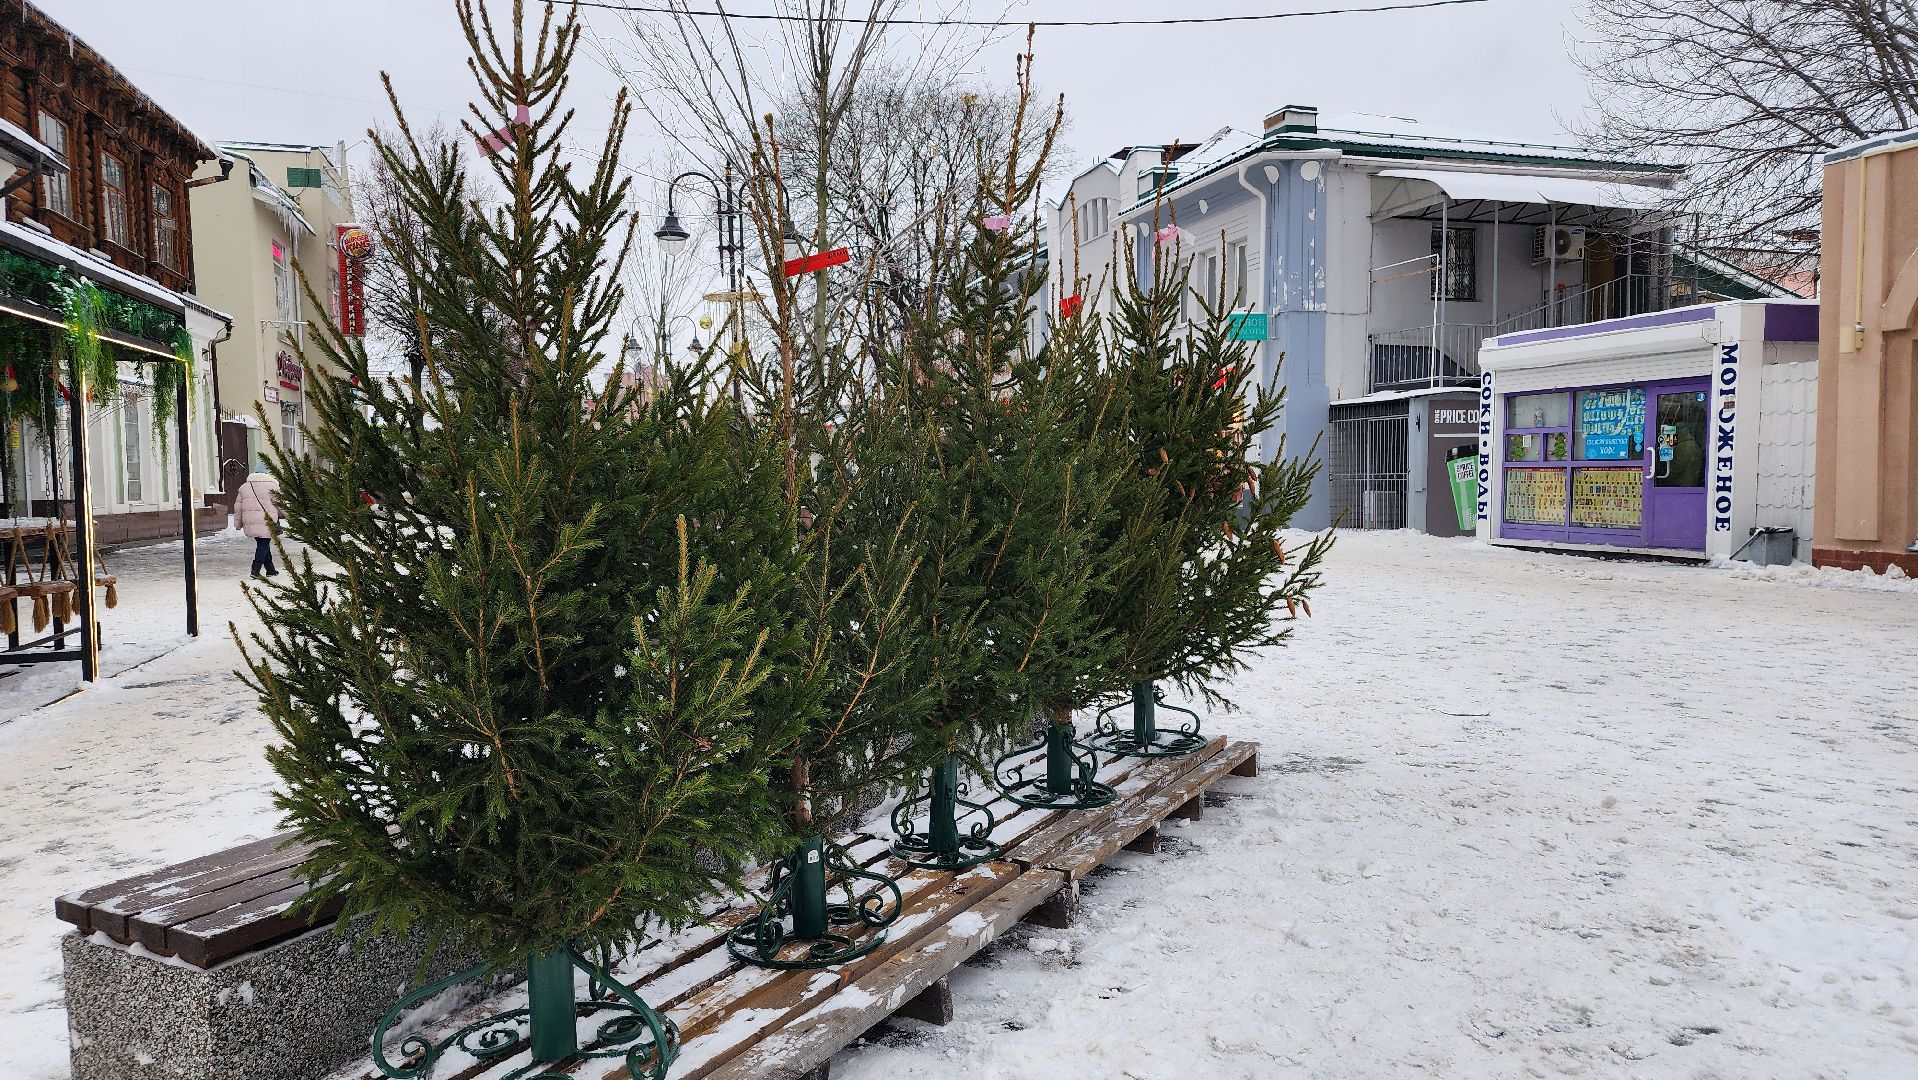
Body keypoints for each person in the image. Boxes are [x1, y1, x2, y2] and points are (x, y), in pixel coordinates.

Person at [231, 461, 283, 578]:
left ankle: (270, 569)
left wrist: (238, 523)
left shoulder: (244, 487)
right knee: (263, 543)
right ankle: (255, 570)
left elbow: (238, 507)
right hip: (267, 519)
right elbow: (280, 504)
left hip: (250, 520)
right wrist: (290, 515)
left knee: (263, 542)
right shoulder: (273, 486)